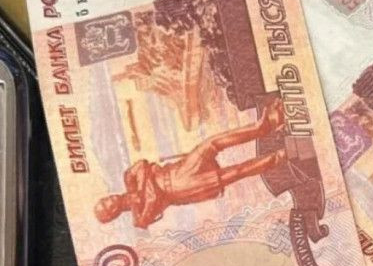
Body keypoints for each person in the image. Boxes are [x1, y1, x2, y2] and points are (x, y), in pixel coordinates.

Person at [95, 97, 286, 229]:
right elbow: (152, 196)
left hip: (179, 169)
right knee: (235, 172)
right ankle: (279, 157)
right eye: (108, 206)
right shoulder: (139, 219)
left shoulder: (128, 179)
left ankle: (265, 125)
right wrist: (148, 181)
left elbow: (142, 165)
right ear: (113, 214)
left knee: (211, 143)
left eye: (105, 200)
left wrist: (144, 186)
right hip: (183, 188)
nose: (109, 201)